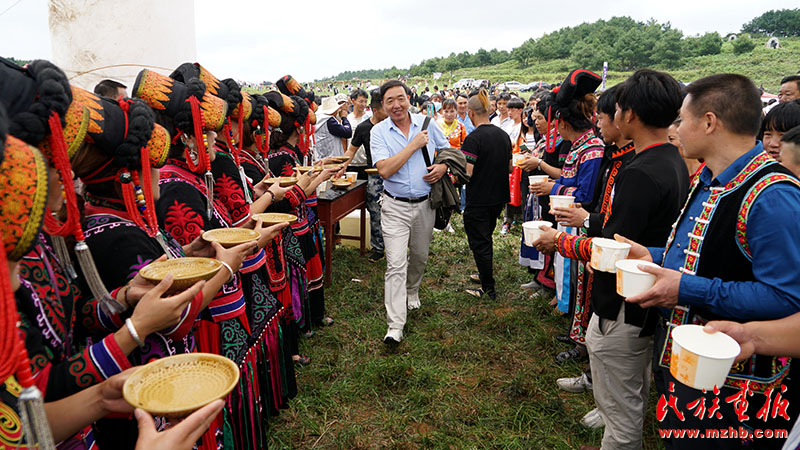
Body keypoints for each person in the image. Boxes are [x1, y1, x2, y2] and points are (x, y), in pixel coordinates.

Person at [621, 73, 800, 450]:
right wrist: (652, 257)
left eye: (680, 120)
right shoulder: (709, 177)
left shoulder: (772, 196)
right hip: (688, 361)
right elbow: (699, 256)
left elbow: (787, 298)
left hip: (736, 386)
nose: (676, 130)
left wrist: (684, 288)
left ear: (708, 122)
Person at [371, 80, 449, 345]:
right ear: (383, 106)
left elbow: (448, 150)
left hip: (425, 204)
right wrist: (414, 145)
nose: (396, 105)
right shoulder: (379, 132)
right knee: (395, 263)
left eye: (400, 98)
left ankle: (413, 289)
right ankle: (395, 325)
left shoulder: (426, 123)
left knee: (419, 255)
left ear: (409, 99)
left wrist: (443, 168)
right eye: (390, 101)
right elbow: (384, 170)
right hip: (394, 206)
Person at [529, 70, 604, 321]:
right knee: (566, 271)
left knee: (577, 276)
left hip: (579, 224)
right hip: (567, 221)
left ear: (563, 123)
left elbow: (586, 195)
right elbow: (569, 181)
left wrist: (554, 188)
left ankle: (575, 322)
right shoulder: (578, 147)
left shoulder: (592, 148)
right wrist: (554, 184)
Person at [461, 90, 512, 299]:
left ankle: (488, 288)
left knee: (480, 243)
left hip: (479, 198)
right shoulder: (503, 135)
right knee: (486, 238)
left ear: (471, 113)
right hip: (499, 197)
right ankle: (484, 274)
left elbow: (467, 173)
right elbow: (509, 167)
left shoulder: (473, 139)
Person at [345, 89, 388, 262]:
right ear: (375, 109)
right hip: (374, 176)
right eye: (386, 108)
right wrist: (342, 167)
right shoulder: (364, 128)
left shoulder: (394, 124)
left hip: (395, 173)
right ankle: (378, 247)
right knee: (375, 212)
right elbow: (351, 150)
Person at [314, 95, 351, 159]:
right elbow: (348, 132)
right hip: (333, 158)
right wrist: (344, 118)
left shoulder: (319, 119)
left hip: (322, 156)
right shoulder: (329, 121)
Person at [345, 88, 372, 178]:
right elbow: (344, 140)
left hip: (366, 163)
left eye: (365, 101)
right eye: (361, 101)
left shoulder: (369, 118)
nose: (364, 104)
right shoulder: (348, 119)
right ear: (353, 101)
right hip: (351, 163)